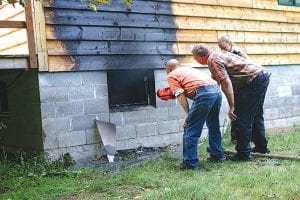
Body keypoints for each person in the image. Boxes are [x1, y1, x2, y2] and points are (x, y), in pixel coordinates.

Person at [192, 44, 270, 161]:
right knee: (256, 115)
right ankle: (261, 147)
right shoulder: (216, 54)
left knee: (240, 118)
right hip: (260, 76)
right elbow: (215, 80)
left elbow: (225, 82)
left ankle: (243, 154)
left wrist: (232, 106)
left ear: (199, 58)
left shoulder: (213, 60)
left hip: (253, 81)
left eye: (194, 58)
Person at [165, 59, 224, 170]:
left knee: (190, 129)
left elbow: (180, 95)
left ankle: (190, 163)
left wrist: (188, 114)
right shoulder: (188, 69)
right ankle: (217, 156)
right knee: (214, 125)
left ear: (167, 69)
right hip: (216, 91)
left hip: (204, 93)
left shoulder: (171, 75)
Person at [217, 35, 249, 143]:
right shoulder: (222, 54)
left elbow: (246, 68)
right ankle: (235, 137)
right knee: (234, 110)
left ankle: (245, 137)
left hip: (243, 84)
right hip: (231, 85)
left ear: (230, 44)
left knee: (243, 110)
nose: (223, 51)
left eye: (224, 48)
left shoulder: (239, 53)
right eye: (220, 48)